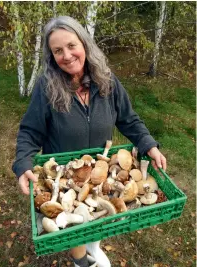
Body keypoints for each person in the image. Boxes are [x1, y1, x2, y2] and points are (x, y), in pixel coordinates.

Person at [12, 16, 167, 267]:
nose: (67, 55)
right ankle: (82, 261)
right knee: (74, 223)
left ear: (84, 44)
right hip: (65, 181)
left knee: (93, 215)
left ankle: (91, 247)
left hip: (100, 173)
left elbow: (128, 119)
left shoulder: (106, 80)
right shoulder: (46, 87)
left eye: (72, 45)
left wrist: (148, 144)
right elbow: (30, 131)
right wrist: (23, 163)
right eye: (58, 50)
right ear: (51, 56)